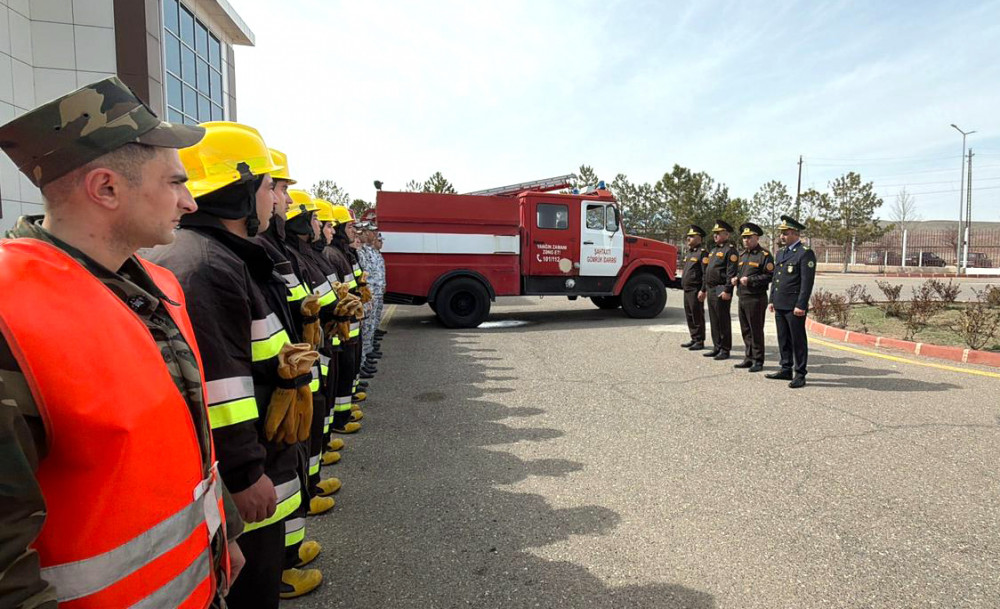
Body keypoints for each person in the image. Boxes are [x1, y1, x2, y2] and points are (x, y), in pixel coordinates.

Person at [0, 77, 243, 608]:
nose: (189, 200)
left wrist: (222, 527)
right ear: (107, 189)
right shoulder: (8, 314)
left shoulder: (155, 287)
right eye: (175, 182)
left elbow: (171, 440)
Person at [144, 122, 322, 605]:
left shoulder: (220, 255)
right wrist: (244, 474)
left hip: (255, 456)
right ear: (239, 190)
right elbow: (221, 385)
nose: (276, 200)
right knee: (253, 590)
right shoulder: (207, 266)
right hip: (246, 472)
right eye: (269, 186)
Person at [766, 215, 817, 388]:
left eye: (785, 233)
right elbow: (776, 278)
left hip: (794, 306)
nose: (782, 236)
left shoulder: (805, 253)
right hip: (780, 303)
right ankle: (785, 368)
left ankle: (800, 373)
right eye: (781, 233)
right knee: (783, 338)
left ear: (795, 233)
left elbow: (806, 282)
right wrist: (771, 299)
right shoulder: (781, 253)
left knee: (797, 340)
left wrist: (801, 305)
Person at [732, 223, 774, 372]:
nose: (746, 240)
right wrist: (736, 279)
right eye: (744, 238)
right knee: (745, 330)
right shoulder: (742, 255)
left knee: (756, 330)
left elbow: (769, 276)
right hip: (743, 296)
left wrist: (750, 280)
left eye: (749, 237)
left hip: (756, 298)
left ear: (756, 238)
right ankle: (748, 358)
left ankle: (758, 360)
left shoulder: (764, 255)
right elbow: (740, 272)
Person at [699, 220, 738, 360]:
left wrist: (728, 290)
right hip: (711, 288)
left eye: (718, 233)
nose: (715, 236)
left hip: (721, 288)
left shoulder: (730, 251)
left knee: (722, 320)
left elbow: (731, 273)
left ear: (726, 234)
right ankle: (717, 347)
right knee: (714, 319)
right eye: (714, 233)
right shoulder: (714, 250)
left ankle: (725, 349)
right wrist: (704, 288)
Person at [680, 225, 709, 350]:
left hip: (696, 289)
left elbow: (705, 273)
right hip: (687, 289)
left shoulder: (702, 253)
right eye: (688, 236)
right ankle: (693, 337)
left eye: (692, 236)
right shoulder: (690, 252)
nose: (688, 238)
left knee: (697, 315)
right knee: (689, 315)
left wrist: (703, 290)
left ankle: (700, 340)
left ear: (699, 238)